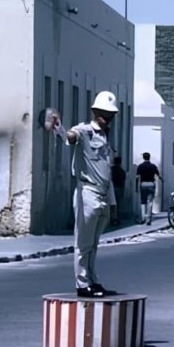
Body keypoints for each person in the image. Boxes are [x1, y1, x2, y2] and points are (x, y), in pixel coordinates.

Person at [46, 91, 119, 298]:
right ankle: (82, 282)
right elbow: (71, 137)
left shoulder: (105, 137)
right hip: (88, 191)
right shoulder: (85, 130)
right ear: (95, 112)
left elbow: (107, 172)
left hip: (103, 193)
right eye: (104, 114)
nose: (107, 118)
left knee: (94, 243)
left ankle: (93, 279)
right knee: (83, 242)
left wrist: (113, 203)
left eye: (110, 115)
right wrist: (59, 129)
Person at [136, 152, 160, 225]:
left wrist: (136, 187)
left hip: (143, 184)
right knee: (150, 201)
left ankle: (143, 218)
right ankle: (148, 219)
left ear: (143, 158)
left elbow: (137, 177)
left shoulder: (140, 166)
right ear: (149, 157)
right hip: (151, 184)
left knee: (143, 202)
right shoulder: (153, 166)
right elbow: (158, 174)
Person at [110, 156, 127, 224]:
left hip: (112, 188)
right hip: (119, 188)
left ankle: (112, 218)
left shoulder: (111, 170)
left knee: (112, 204)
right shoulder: (122, 171)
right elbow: (123, 180)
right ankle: (117, 218)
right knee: (118, 204)